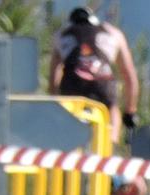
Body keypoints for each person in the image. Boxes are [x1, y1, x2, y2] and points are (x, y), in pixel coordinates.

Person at [49, 6, 139, 136]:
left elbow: (53, 78)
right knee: (112, 108)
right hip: (103, 86)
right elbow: (129, 76)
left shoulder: (61, 35)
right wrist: (130, 111)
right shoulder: (114, 33)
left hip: (72, 86)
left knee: (67, 131)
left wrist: (54, 104)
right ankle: (110, 144)